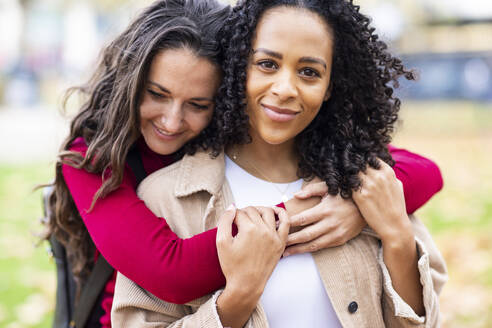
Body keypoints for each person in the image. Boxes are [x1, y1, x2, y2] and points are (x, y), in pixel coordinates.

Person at [45, 0, 442, 326]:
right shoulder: (92, 159)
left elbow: (424, 171)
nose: (172, 120)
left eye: (198, 104)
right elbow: (171, 270)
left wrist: (366, 209)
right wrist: (301, 218)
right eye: (156, 94)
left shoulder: (342, 171)